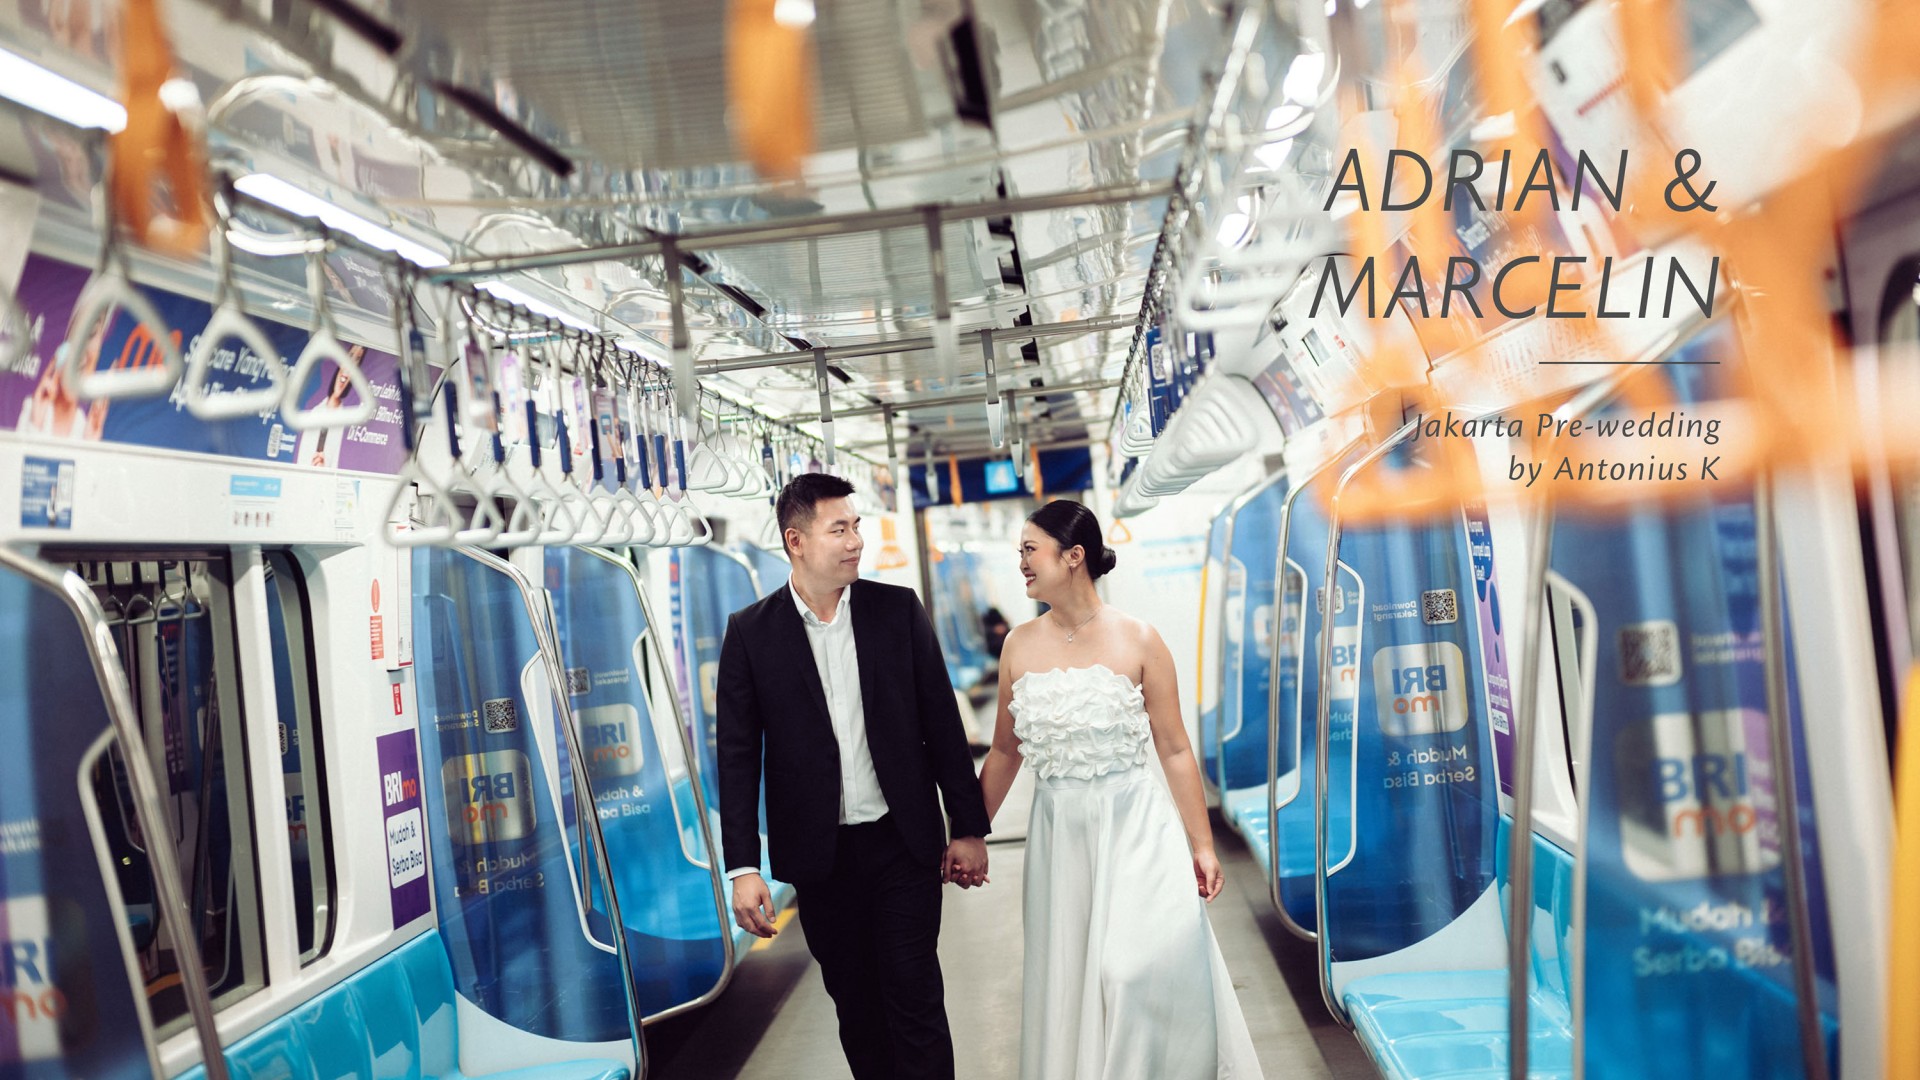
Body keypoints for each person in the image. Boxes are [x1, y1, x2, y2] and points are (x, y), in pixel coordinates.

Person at [717, 473, 992, 1080]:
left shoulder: (896, 612)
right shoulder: (752, 633)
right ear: (795, 541)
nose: (855, 541)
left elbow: (943, 725)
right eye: (838, 529)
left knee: (915, 996)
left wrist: (968, 827)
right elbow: (736, 755)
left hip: (903, 844)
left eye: (856, 526)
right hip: (822, 859)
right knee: (857, 1007)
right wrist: (743, 868)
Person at [977, 499, 1263, 1080]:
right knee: (1070, 979)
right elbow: (1005, 751)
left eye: (1030, 550)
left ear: (1073, 556)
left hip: (1136, 828)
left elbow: (1174, 748)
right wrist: (968, 833)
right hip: (1061, 836)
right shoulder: (1018, 645)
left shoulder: (1139, 638)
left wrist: (1202, 845)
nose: (1021, 563)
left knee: (1132, 971)